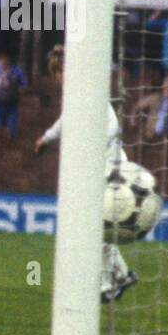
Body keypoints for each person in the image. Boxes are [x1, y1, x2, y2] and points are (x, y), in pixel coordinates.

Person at [34, 46, 137, 303]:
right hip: (99, 171)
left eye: (63, 69)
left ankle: (107, 285)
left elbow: (113, 125)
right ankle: (122, 276)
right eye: (59, 71)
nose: (62, 76)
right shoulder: (77, 95)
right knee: (93, 228)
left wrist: (93, 148)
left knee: (93, 228)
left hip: (111, 170)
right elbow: (66, 120)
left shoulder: (92, 91)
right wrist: (46, 139)